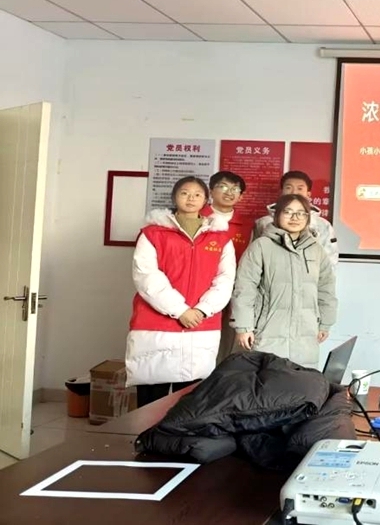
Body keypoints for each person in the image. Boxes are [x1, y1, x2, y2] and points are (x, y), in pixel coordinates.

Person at [125, 176, 236, 407]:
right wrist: (180, 310)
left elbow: (225, 280)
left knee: (190, 400)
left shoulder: (221, 237)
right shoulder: (152, 234)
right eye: (184, 193)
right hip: (157, 323)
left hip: (200, 324)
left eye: (197, 194)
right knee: (151, 398)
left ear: (206, 199)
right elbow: (146, 275)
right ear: (174, 197)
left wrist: (202, 310)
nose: (191, 198)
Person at [232, 194, 337, 369]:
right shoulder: (261, 246)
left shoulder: (315, 249)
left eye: (301, 213)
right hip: (267, 332)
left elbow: (326, 289)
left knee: (301, 380)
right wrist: (243, 327)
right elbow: (244, 288)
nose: (295, 218)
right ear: (277, 215)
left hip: (306, 334)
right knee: (270, 379)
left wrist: (326, 323)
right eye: (288, 212)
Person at [200, 171, 251, 365]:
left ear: (241, 196)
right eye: (223, 187)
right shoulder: (196, 216)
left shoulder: (247, 225)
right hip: (199, 290)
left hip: (232, 293)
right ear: (211, 191)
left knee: (226, 345)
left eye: (235, 189)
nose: (229, 192)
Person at [253, 171, 338, 269]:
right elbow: (254, 259)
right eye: (288, 188)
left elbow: (330, 261)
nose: (294, 192)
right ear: (281, 192)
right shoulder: (264, 223)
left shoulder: (322, 225)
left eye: (300, 188)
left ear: (308, 194)